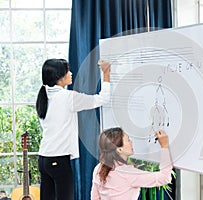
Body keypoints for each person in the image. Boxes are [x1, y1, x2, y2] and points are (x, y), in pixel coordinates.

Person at [36, 58, 111, 200]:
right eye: (67, 71)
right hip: (58, 160)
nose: (71, 73)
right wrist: (106, 74)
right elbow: (102, 99)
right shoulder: (67, 97)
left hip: (44, 159)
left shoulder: (44, 96)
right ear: (59, 76)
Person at [91, 127, 173, 200]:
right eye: (128, 140)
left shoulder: (99, 168)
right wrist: (164, 146)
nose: (131, 142)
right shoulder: (129, 173)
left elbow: (95, 198)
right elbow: (165, 177)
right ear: (119, 149)